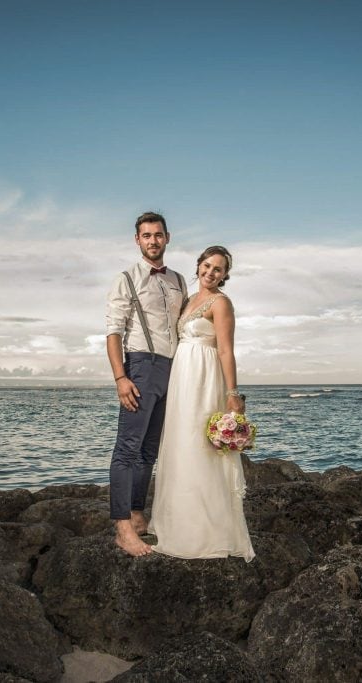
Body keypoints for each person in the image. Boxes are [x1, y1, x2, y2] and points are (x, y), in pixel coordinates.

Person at [148, 245, 255, 562]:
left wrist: (233, 392)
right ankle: (176, 521)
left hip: (205, 377)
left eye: (218, 269)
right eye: (207, 266)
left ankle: (206, 530)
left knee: (200, 445)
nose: (211, 272)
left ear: (225, 276)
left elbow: (225, 350)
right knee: (180, 443)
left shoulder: (221, 303)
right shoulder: (188, 300)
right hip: (183, 378)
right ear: (198, 266)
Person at [105, 211, 188, 557]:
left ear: (167, 237)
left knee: (148, 450)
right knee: (127, 448)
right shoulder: (126, 279)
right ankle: (122, 528)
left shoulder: (180, 281)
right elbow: (113, 332)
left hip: (175, 368)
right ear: (137, 240)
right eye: (146, 235)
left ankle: (138, 515)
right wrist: (121, 377)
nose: (152, 240)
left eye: (158, 235)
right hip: (140, 365)